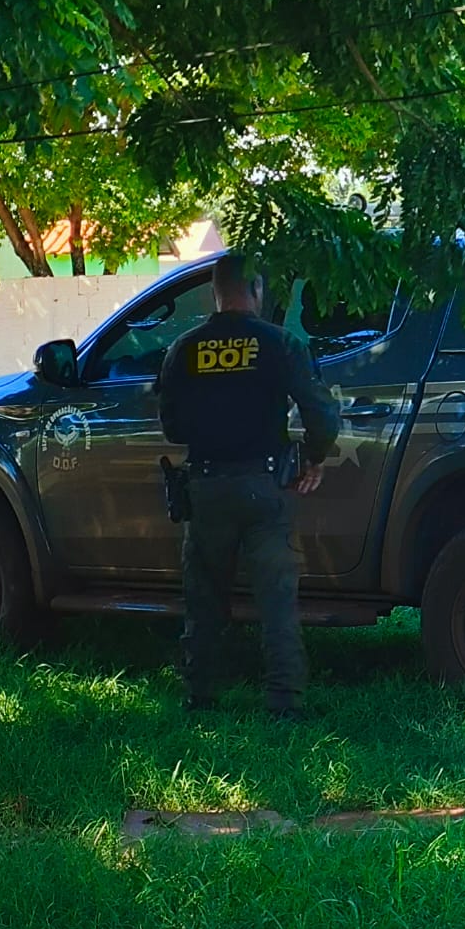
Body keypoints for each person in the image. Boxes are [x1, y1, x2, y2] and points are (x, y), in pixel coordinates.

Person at [157, 252, 342, 716]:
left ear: (214, 294)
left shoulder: (184, 348)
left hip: (204, 489)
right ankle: (284, 702)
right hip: (264, 487)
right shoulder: (279, 343)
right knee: (277, 602)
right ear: (257, 290)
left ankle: (200, 695)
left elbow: (172, 428)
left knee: (203, 600)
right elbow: (322, 415)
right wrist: (313, 457)